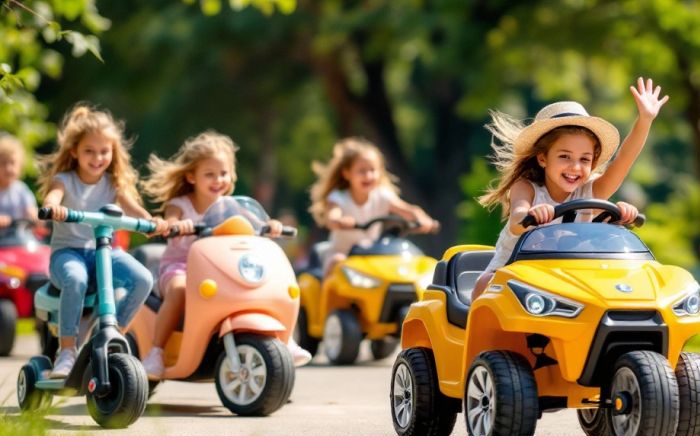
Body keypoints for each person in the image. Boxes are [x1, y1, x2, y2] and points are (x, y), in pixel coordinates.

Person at [472, 77, 668, 300]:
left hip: (565, 279)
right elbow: (518, 219)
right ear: (543, 158)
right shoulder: (527, 188)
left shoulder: (590, 193)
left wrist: (645, 120)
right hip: (514, 275)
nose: (575, 167)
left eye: (585, 159)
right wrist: (530, 215)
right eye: (565, 156)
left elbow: (624, 159)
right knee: (485, 282)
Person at [139, 131, 310, 378]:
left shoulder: (232, 206)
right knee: (178, 291)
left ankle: (284, 341)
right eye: (209, 174)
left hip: (219, 270)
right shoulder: (181, 204)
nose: (218, 179)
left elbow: (255, 222)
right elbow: (171, 221)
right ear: (191, 176)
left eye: (224, 173)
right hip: (181, 267)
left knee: (270, 288)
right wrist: (178, 225)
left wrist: (270, 225)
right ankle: (156, 351)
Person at [38, 104, 167, 378]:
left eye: (104, 152)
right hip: (68, 254)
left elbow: (134, 209)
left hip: (103, 254)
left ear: (113, 152)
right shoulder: (65, 179)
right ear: (74, 151)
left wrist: (150, 222)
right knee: (76, 279)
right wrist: (54, 207)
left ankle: (111, 334)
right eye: (89, 151)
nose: (97, 158)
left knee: (143, 278)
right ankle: (68, 350)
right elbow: (53, 197)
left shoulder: (112, 184)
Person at [308, 137, 439, 275]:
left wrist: (423, 220)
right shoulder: (339, 197)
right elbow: (332, 217)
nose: (368, 175)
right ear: (346, 174)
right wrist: (339, 221)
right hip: (343, 253)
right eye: (362, 171)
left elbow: (409, 210)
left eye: (372, 170)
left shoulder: (382, 196)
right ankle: (330, 294)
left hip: (370, 255)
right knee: (337, 262)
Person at [0, 134, 38, 226]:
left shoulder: (21, 190)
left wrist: (33, 214)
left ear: (20, 166)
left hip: (18, 235)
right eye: (3, 163)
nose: (8, 168)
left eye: (12, 163)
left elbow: (31, 209)